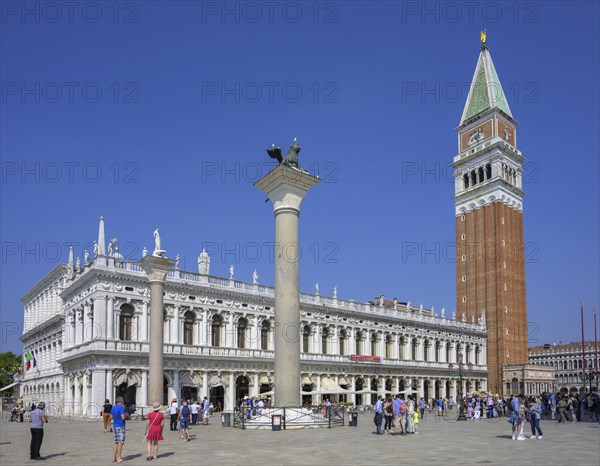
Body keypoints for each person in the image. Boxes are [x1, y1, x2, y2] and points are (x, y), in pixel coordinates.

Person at [111, 396, 127, 463]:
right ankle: (119, 458)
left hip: (114, 426)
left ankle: (113, 458)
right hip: (120, 426)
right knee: (120, 442)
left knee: (116, 442)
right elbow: (123, 417)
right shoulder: (121, 408)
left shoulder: (113, 407)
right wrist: (126, 415)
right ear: (121, 401)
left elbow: (111, 417)